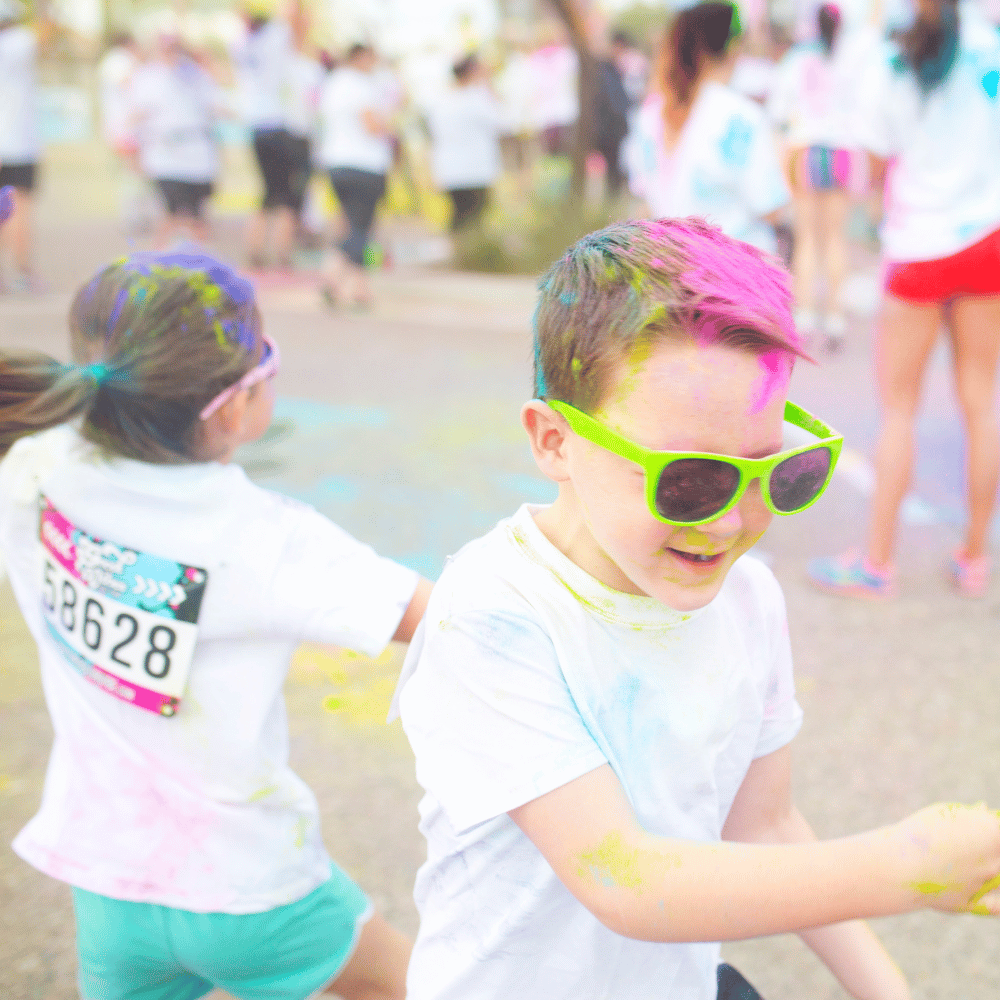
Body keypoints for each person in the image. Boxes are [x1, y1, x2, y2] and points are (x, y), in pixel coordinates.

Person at [390, 218, 1000, 1000]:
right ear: (553, 441)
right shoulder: (491, 616)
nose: (730, 522)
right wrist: (907, 868)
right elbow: (626, 877)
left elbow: (765, 825)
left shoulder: (748, 598)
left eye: (776, 471)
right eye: (688, 481)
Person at [0, 246, 433, 1000]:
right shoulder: (265, 538)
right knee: (424, 985)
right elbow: (440, 618)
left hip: (109, 882)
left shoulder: (31, 470)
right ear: (235, 405)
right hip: (251, 887)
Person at [808, 0, 1000, 599]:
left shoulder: (888, 58)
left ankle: (878, 564)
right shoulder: (989, 45)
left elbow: (875, 161)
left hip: (917, 247)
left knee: (898, 410)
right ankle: (973, 558)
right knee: (981, 403)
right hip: (988, 240)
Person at [628, 1, 791, 255]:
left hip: (671, 271)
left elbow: (645, 200)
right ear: (734, 48)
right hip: (735, 272)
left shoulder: (650, 117)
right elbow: (771, 208)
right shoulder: (741, 119)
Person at [769, 4, 856, 349]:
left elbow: (779, 112)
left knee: (806, 239)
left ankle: (804, 317)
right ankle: (834, 319)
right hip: (841, 152)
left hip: (805, 149)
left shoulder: (796, 61)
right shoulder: (851, 62)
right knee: (835, 237)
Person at [315, 43, 395, 309]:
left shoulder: (333, 83)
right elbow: (372, 125)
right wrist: (391, 124)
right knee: (361, 227)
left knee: (351, 223)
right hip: (364, 164)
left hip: (337, 162)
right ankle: (332, 275)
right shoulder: (360, 85)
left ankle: (360, 289)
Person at [129, 34, 227, 247]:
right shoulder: (148, 77)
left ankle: (197, 264)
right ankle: (158, 264)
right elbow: (136, 114)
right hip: (166, 155)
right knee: (171, 214)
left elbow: (216, 105)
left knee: (197, 217)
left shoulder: (196, 75)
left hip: (197, 157)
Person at [231, 3, 300, 271]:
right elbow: (294, 15)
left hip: (255, 125)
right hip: (276, 124)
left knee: (268, 193)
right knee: (284, 195)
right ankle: (282, 251)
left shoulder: (240, 43)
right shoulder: (273, 37)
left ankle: (257, 248)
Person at [427, 53, 503, 232]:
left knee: (459, 216)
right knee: (474, 218)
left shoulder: (441, 101)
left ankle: (459, 254)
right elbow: (501, 121)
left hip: (450, 170)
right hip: (475, 169)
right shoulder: (477, 98)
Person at [98, 31, 159, 238]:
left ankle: (137, 216)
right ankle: (133, 218)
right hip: (125, 128)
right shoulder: (118, 59)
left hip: (127, 127)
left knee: (137, 172)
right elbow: (127, 82)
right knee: (133, 172)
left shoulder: (117, 60)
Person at [0, 0, 40, 292]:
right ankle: (22, 274)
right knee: (19, 211)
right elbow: (46, 29)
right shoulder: (20, 41)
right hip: (17, 144)